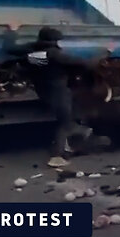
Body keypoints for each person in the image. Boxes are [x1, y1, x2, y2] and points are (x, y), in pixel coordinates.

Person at [25, 26, 88, 167]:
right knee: (65, 123)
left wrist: (11, 32)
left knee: (67, 119)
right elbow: (84, 64)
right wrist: (106, 52)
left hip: (43, 91)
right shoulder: (55, 55)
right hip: (59, 92)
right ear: (53, 41)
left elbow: (10, 48)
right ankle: (57, 156)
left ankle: (67, 147)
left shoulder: (31, 52)